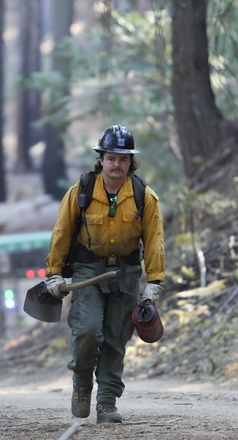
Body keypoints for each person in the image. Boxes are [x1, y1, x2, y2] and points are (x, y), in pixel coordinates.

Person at [44, 125, 165, 424]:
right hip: (87, 270)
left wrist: (154, 284)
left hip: (126, 272)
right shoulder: (81, 190)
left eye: (123, 159)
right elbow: (61, 233)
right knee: (87, 330)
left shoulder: (143, 196)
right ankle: (82, 384)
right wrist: (54, 274)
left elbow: (154, 241)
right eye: (111, 158)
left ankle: (107, 403)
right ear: (101, 159)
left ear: (130, 162)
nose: (117, 164)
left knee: (115, 338)